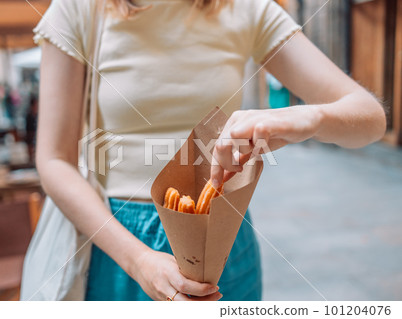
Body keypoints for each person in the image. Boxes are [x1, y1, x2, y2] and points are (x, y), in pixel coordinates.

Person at [21, 0, 386, 301]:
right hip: (116, 239)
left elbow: (370, 119)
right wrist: (139, 261)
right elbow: (54, 160)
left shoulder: (246, 9)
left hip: (224, 235)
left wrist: (306, 118)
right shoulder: (79, 9)